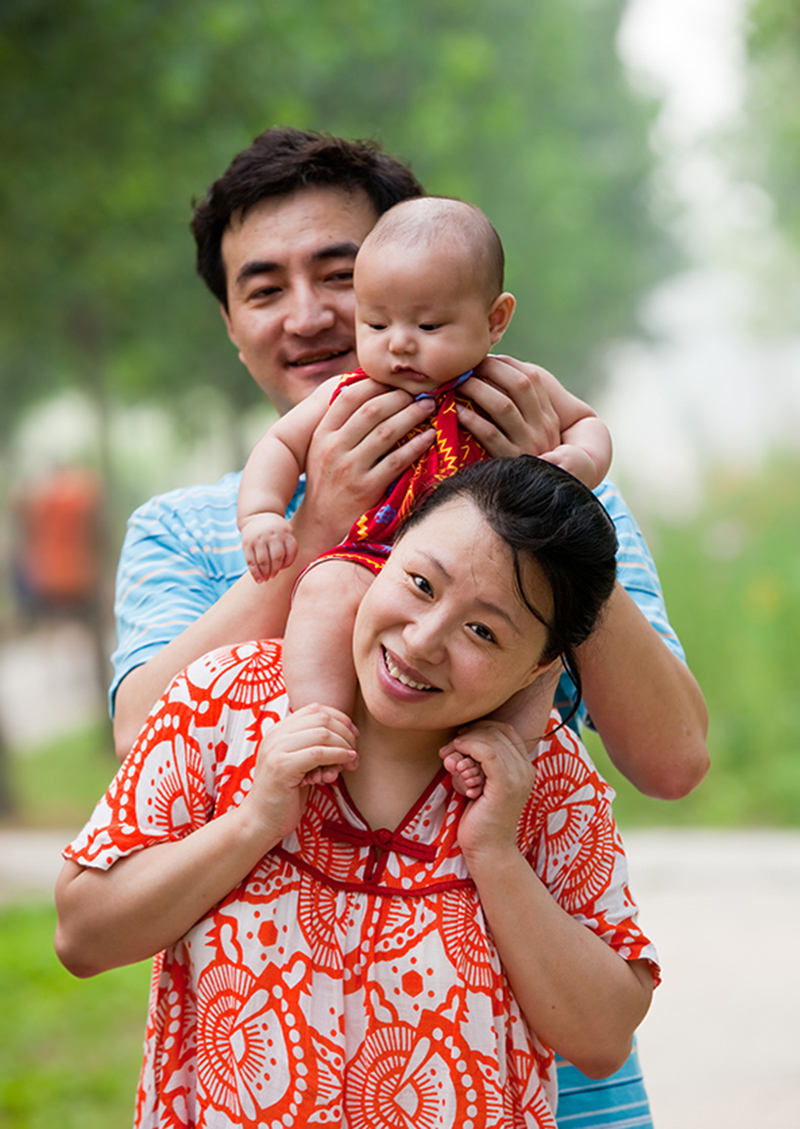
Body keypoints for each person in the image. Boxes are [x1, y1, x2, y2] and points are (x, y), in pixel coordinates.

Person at [108, 126, 708, 1127]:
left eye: (338, 274)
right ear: (228, 321)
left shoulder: (560, 494)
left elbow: (673, 760)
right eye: (262, 288)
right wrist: (310, 531)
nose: (309, 316)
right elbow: (142, 740)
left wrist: (544, 511)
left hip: (555, 1083)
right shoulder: (186, 532)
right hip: (286, 1070)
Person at [57, 457, 659, 1129]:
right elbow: (83, 935)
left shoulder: (544, 774)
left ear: (541, 666)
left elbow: (603, 1039)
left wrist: (495, 853)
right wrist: (253, 821)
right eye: (421, 583)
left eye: (483, 630)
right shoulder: (221, 700)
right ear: (384, 551)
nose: (423, 639)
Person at [237, 196, 612, 722]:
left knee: (534, 647)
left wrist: (578, 463)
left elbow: (587, 423)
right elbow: (279, 445)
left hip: (492, 579)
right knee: (324, 590)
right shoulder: (351, 394)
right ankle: (320, 722)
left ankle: (505, 745)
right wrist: (262, 514)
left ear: (495, 319)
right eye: (376, 325)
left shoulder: (514, 387)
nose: (400, 346)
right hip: (374, 557)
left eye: (429, 327)